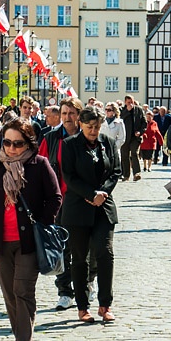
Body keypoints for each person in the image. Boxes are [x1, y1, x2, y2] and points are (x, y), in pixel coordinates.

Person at [0, 118, 61, 341]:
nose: (12, 148)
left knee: (22, 291)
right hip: (0, 240)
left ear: (28, 143)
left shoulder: (39, 164)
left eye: (18, 143)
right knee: (10, 295)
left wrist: (41, 222)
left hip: (28, 240)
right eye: (7, 142)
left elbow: (55, 197)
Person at [60, 105, 121, 323]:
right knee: (80, 258)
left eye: (96, 127)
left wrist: (102, 193)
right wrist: (90, 194)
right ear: (81, 124)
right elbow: (69, 176)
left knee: (105, 252)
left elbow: (116, 172)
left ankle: (105, 304)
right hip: (78, 207)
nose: (94, 131)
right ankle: (82, 305)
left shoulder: (109, 143)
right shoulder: (69, 145)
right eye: (89, 127)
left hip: (103, 207)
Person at [39, 97, 96, 310]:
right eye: (64, 114)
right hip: (59, 201)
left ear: (79, 116)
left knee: (86, 247)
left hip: (83, 200)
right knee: (61, 247)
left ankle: (88, 283)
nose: (67, 118)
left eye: (71, 113)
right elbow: (40, 166)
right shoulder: (51, 138)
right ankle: (64, 291)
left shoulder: (89, 138)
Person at [120, 95, 146, 181]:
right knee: (125, 156)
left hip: (135, 137)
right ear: (125, 102)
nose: (130, 104)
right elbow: (120, 119)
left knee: (134, 153)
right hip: (124, 137)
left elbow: (144, 123)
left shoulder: (138, 110)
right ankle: (126, 175)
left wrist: (140, 132)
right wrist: (127, 111)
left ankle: (136, 173)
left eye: (131, 102)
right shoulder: (122, 110)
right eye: (128, 102)